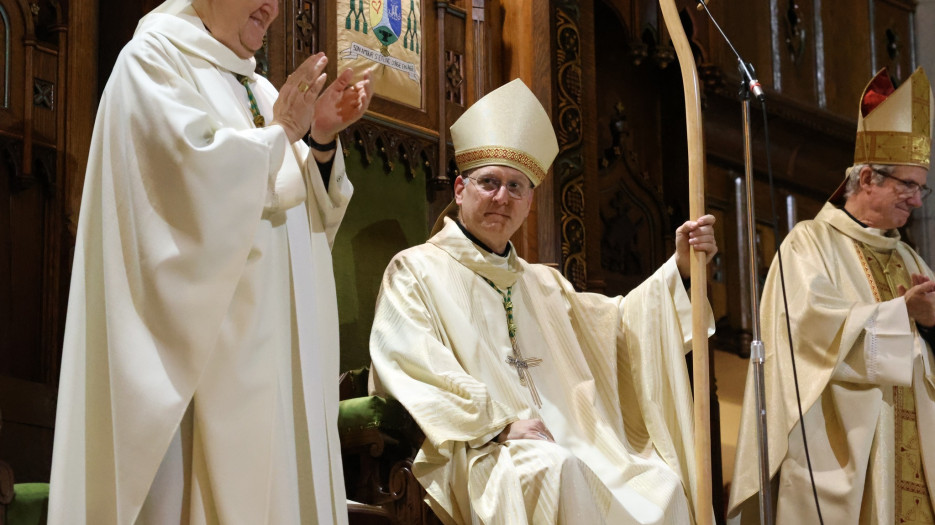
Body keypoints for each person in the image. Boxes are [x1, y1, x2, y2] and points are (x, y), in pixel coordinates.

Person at [47, 0, 373, 523]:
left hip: (276, 354)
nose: (272, 8)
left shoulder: (264, 90)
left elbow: (303, 217)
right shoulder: (151, 62)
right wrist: (281, 134)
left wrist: (319, 138)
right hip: (206, 356)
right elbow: (186, 184)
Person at [368, 79, 719, 524]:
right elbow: (410, 358)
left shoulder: (544, 284)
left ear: (531, 201)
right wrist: (497, 425)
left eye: (517, 187)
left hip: (571, 442)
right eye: (489, 182)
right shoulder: (415, 270)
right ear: (460, 189)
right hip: (482, 447)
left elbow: (623, 328)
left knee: (660, 486)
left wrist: (681, 269)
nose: (502, 197)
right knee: (556, 470)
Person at [727, 67, 935, 524]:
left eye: (922, 188)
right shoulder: (810, 244)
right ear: (867, 179)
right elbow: (808, 331)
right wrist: (903, 313)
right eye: (908, 186)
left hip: (913, 454)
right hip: (843, 454)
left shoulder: (909, 259)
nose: (917, 201)